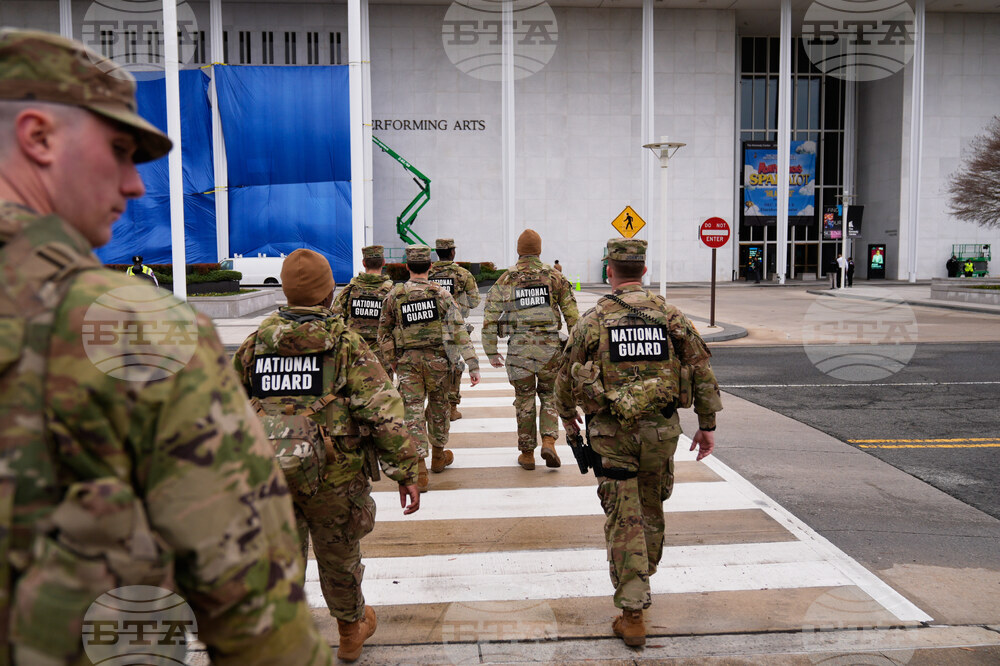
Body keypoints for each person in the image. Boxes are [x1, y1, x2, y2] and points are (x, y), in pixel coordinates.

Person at [0, 29, 331, 664]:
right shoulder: (133, 331)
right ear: (38, 136)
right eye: (119, 151)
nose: (133, 185)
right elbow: (253, 607)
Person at [233, 249, 420, 662]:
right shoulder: (347, 345)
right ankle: (351, 631)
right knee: (339, 554)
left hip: (268, 472)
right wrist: (405, 471)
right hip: (336, 474)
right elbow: (382, 411)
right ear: (328, 293)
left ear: (285, 291)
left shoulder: (254, 345)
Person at [555, 238, 722, 648]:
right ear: (644, 270)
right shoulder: (671, 316)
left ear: (609, 271)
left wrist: (567, 417)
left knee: (623, 518)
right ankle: (643, 580)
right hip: (660, 435)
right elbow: (701, 371)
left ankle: (632, 612)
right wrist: (707, 424)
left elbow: (565, 374)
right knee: (649, 510)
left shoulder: (593, 319)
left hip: (611, 437)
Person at [378, 244, 480, 492]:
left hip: (408, 363)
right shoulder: (442, 295)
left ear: (407, 267)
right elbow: (458, 330)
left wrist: (393, 360)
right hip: (438, 363)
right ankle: (438, 456)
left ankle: (420, 469)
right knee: (439, 408)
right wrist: (472, 364)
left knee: (412, 412)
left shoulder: (395, 295)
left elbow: (383, 332)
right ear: (430, 266)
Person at [482, 229, 579, 470]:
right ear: (539, 250)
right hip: (550, 348)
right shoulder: (554, 277)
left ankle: (527, 454)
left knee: (524, 399)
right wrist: (575, 351)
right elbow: (573, 317)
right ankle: (549, 441)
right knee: (549, 395)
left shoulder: (507, 278)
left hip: (519, 349)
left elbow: (490, 316)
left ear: (519, 251)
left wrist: (491, 350)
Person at [429, 238, 481, 421]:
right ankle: (451, 408)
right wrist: (459, 306)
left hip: (430, 327)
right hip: (453, 328)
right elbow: (475, 301)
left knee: (431, 364)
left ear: (437, 252)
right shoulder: (462, 274)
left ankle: (433, 406)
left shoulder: (427, 273)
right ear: (452, 252)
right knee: (453, 366)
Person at [332, 244, 395, 374]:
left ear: (364, 263)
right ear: (383, 263)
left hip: (354, 354)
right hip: (382, 358)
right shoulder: (392, 292)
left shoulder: (348, 291)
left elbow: (335, 319)